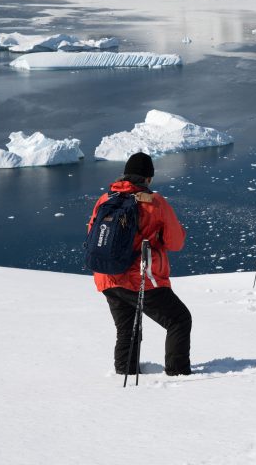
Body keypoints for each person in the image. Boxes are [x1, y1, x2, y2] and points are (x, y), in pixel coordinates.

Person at [87, 152, 191, 376]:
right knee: (179, 320)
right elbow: (175, 242)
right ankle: (178, 373)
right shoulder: (155, 202)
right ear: (148, 178)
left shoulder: (105, 199)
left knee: (127, 329)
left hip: (107, 276)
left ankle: (125, 372)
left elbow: (92, 233)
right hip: (140, 279)